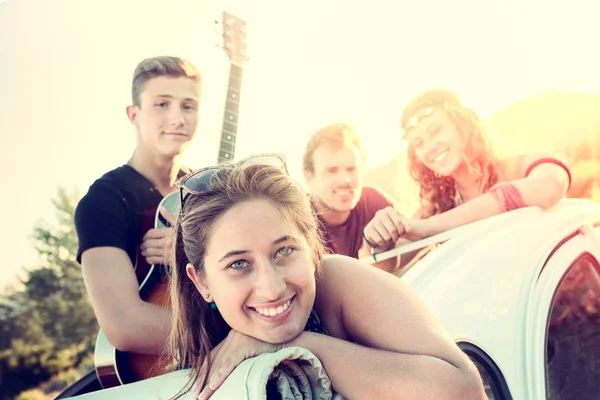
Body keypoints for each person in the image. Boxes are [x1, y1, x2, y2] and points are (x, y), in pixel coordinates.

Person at [167, 154, 486, 400]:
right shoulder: (201, 368)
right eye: (238, 264)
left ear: (308, 245)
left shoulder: (336, 279)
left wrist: (297, 346)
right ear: (202, 282)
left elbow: (464, 391)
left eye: (284, 252)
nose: (272, 288)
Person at [74, 56, 201, 356]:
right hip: (153, 369)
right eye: (162, 104)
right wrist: (231, 332)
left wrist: (194, 249)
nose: (177, 119)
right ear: (134, 114)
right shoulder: (103, 201)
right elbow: (125, 325)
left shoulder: (205, 190)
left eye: (188, 106)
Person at [363, 89, 571, 263]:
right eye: (419, 143)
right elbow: (391, 265)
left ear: (464, 125)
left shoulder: (525, 166)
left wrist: (429, 228)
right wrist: (379, 241)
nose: (429, 147)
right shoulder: (436, 206)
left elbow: (550, 188)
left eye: (436, 130)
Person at [302, 123, 400, 272]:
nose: (345, 180)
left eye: (351, 169)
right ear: (309, 177)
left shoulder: (373, 202)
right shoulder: (297, 222)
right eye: (332, 171)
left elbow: (408, 245)